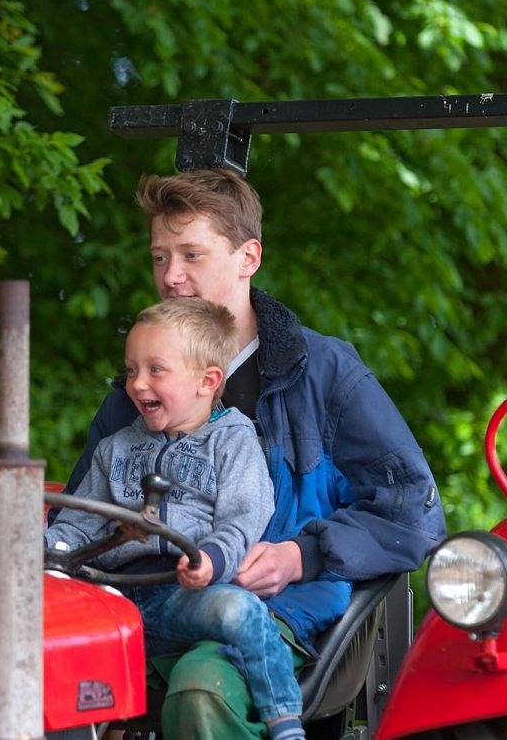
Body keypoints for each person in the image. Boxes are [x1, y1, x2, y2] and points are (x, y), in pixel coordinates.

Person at [61, 169, 447, 739]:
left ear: (249, 257)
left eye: (191, 255)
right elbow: (80, 522)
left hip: (279, 610)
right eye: (160, 257)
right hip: (150, 605)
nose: (171, 276)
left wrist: (300, 555)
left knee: (201, 690)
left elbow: (413, 511)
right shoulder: (136, 396)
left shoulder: (325, 374)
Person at [47, 297, 306, 740]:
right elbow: (76, 524)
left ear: (207, 381)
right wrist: (44, 549)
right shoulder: (115, 449)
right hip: (113, 598)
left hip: (183, 596)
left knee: (239, 609)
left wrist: (211, 559)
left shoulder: (233, 442)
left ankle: (284, 722)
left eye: (155, 370)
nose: (136, 383)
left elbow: (244, 517)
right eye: (131, 370)